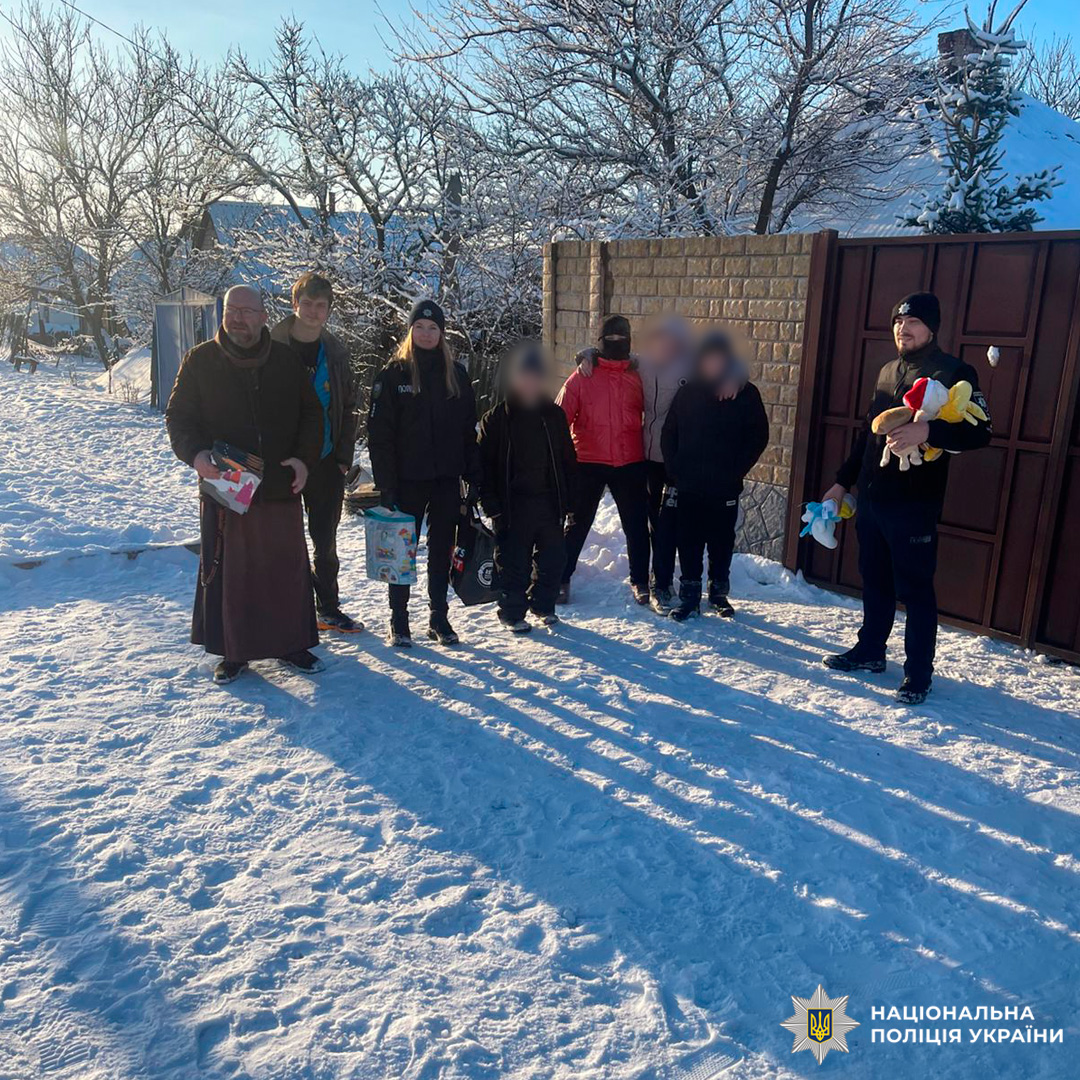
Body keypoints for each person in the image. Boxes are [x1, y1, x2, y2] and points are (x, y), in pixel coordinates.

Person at [821, 291, 992, 705]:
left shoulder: (954, 372)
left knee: (915, 590)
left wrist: (929, 431)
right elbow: (869, 435)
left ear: (931, 327)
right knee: (874, 580)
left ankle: (918, 673)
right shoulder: (886, 372)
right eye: (898, 322)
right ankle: (870, 651)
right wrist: (842, 482)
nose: (903, 329)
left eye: (912, 322)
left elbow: (981, 432)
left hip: (915, 503)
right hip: (874, 498)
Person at [165, 285, 325, 684]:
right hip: (226, 484)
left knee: (283, 569)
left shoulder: (286, 361)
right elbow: (178, 418)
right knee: (231, 573)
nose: (237, 318)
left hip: (278, 486)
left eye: (246, 311)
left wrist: (304, 460)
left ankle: (290, 644)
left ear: (263, 315)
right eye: (231, 310)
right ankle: (233, 652)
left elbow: (312, 415)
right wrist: (197, 456)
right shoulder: (199, 361)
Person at [574, 314, 746, 614]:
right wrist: (586, 355)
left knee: (682, 525)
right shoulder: (642, 365)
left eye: (672, 340)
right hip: (648, 457)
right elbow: (607, 358)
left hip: (683, 457)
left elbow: (728, 366)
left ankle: (689, 583)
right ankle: (659, 583)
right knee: (657, 525)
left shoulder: (691, 365)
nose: (665, 345)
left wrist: (736, 376)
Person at [367, 300, 481, 647]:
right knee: (402, 553)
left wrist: (474, 477)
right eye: (420, 327)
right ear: (411, 330)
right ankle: (398, 621)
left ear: (442, 333)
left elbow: (468, 431)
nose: (427, 334)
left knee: (441, 548)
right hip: (406, 480)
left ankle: (438, 617)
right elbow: (379, 436)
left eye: (433, 328)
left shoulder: (456, 375)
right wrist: (386, 486)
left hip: (446, 479)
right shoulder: (393, 374)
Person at [270, 272, 363, 634]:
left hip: (325, 462)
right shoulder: (272, 345)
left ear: (328, 311)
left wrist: (342, 458)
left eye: (320, 305)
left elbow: (350, 406)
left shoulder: (336, 352)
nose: (312, 311)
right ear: (294, 304)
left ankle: (328, 606)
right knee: (282, 539)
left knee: (325, 541)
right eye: (306, 303)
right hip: (282, 462)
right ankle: (288, 607)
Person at [661, 330, 769, 621]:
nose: (713, 363)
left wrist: (736, 469)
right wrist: (675, 470)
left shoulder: (745, 394)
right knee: (689, 542)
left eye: (718, 358)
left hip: (725, 487)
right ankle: (689, 597)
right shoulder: (688, 392)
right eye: (708, 358)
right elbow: (669, 432)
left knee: (722, 542)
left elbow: (759, 436)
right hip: (689, 486)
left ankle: (719, 595)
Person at [478, 342, 577, 633]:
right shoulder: (496, 419)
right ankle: (511, 611)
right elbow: (482, 466)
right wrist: (490, 503)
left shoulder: (554, 416)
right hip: (512, 504)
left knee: (553, 559)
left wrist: (571, 500)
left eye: (536, 376)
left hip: (548, 501)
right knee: (513, 563)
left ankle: (543, 605)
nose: (530, 382)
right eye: (524, 375)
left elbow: (568, 460)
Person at [557, 315, 650, 605]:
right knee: (577, 523)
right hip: (588, 460)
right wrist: (564, 460)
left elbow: (660, 403)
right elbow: (559, 418)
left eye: (622, 339)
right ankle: (560, 578)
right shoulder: (582, 376)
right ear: (599, 343)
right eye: (609, 339)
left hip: (630, 460)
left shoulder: (638, 375)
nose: (616, 344)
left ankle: (640, 580)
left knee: (636, 525)